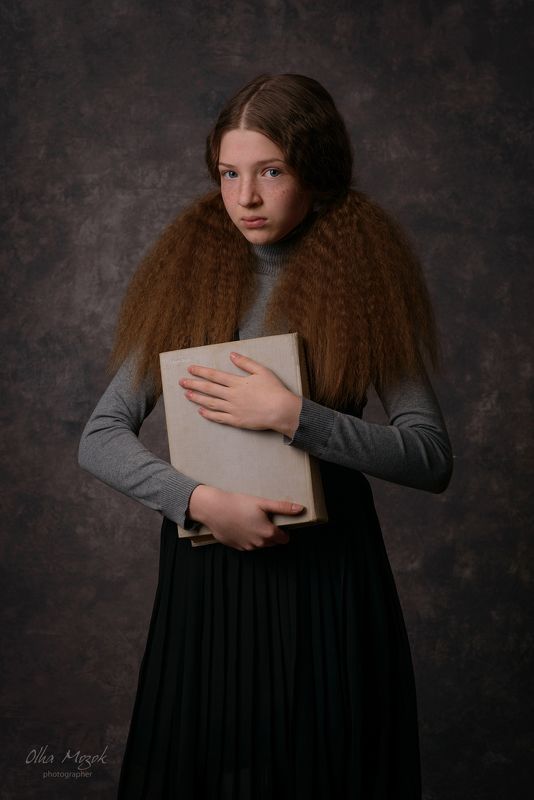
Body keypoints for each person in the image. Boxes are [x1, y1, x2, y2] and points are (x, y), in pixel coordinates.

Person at [78, 73, 453, 799]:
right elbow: (99, 436)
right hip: (208, 580)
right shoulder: (186, 277)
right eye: (229, 174)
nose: (245, 197)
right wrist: (199, 502)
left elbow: (432, 458)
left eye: (271, 172)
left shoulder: (364, 281)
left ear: (316, 171)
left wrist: (294, 416)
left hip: (330, 579)